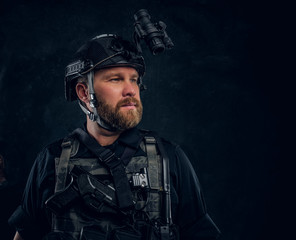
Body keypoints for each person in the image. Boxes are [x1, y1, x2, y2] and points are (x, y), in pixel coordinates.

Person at [9, 34, 221, 240]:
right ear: (84, 93)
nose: (131, 90)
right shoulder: (51, 159)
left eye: (135, 80)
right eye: (116, 79)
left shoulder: (170, 159)